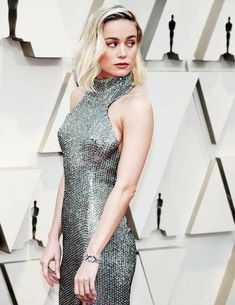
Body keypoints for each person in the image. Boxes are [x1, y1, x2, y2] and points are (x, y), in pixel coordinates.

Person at [40, 5, 154, 305]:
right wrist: (53, 238)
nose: (123, 53)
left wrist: (93, 255)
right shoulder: (79, 95)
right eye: (112, 43)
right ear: (94, 45)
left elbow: (126, 188)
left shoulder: (136, 107)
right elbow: (72, 169)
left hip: (106, 248)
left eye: (131, 43)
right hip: (74, 242)